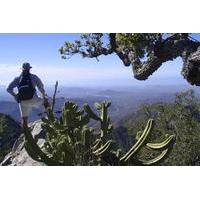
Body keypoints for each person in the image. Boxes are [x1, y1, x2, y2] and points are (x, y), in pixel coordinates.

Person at [7, 62, 49, 129]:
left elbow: (8, 89)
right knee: (46, 104)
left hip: (22, 101)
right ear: (29, 69)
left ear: (22, 69)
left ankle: (27, 135)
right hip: (34, 99)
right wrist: (44, 97)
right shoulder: (34, 77)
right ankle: (49, 119)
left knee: (24, 119)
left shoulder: (17, 78)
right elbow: (41, 88)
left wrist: (15, 95)